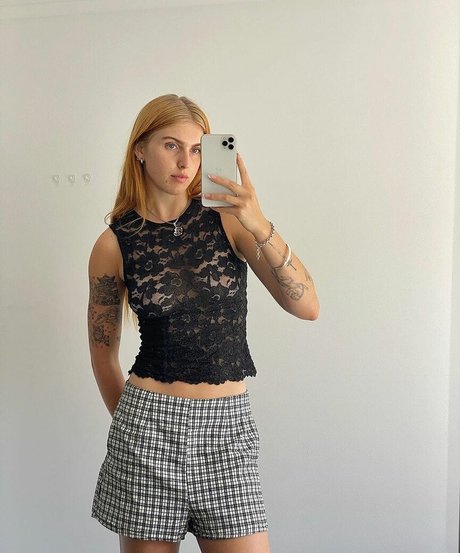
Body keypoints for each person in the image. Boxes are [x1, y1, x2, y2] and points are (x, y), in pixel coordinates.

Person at [88, 93, 319, 553]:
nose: (185, 162)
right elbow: (102, 353)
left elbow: (307, 306)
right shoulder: (113, 245)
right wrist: (136, 428)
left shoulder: (229, 222)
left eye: (196, 149)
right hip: (147, 431)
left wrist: (258, 222)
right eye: (171, 145)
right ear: (140, 149)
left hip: (227, 434)